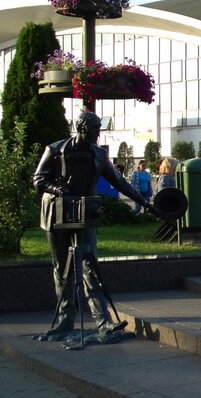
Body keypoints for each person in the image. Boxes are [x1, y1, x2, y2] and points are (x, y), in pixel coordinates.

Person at [32, 111, 152, 340]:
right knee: (62, 269)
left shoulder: (98, 154)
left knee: (90, 266)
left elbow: (119, 182)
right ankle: (65, 320)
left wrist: (145, 202)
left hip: (84, 212)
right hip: (57, 212)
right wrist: (58, 189)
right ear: (81, 128)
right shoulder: (55, 150)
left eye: (99, 128)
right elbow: (38, 179)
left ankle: (103, 321)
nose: (98, 133)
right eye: (94, 129)